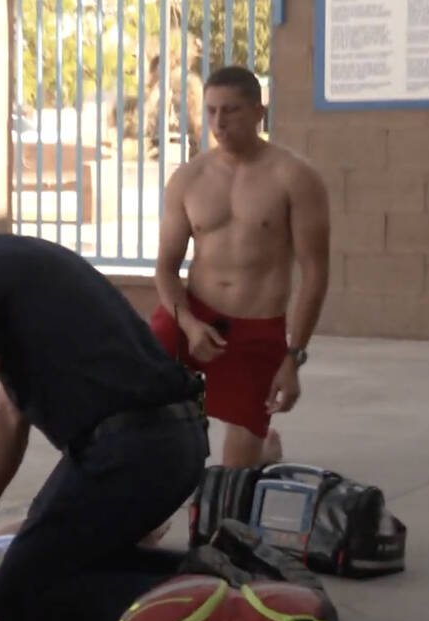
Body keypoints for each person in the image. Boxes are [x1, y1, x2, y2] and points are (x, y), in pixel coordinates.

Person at [0, 219, 210, 621]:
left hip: (126, 453)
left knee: (20, 594)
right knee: (74, 558)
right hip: (173, 443)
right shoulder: (17, 260)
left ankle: (207, 612)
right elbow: (8, 418)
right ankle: (212, 577)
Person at [149, 64, 331, 468]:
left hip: (255, 325)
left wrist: (294, 357)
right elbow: (165, 269)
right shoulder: (189, 179)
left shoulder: (295, 178)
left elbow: (315, 274)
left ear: (258, 112)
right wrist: (190, 324)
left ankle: (262, 447)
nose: (218, 122)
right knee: (131, 398)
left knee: (233, 478)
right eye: (211, 111)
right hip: (192, 315)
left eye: (231, 111)